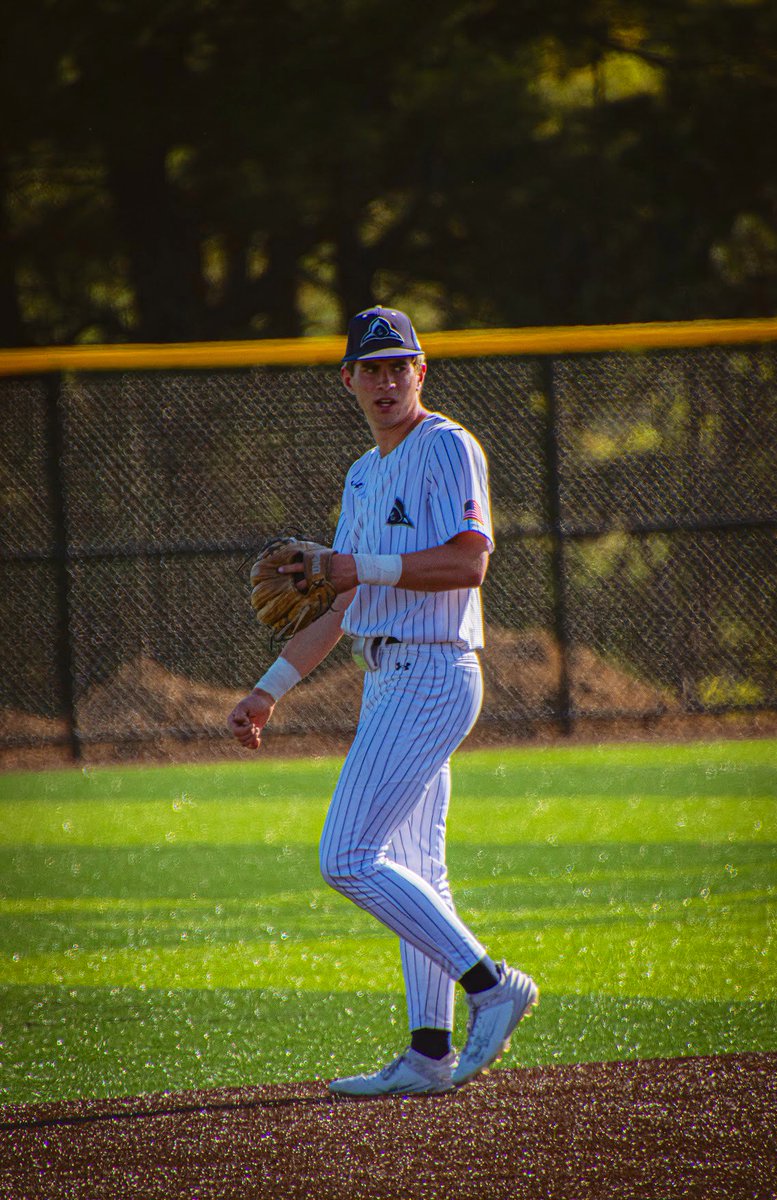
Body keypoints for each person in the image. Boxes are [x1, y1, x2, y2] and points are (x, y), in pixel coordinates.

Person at [227, 306, 538, 1096]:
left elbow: (469, 565)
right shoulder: (362, 474)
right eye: (372, 368)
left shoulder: (447, 446)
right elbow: (340, 601)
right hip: (388, 675)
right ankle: (430, 1053)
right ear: (349, 381)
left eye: (400, 365)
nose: (387, 380)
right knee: (416, 868)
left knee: (346, 856)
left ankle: (491, 985)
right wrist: (268, 691)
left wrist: (357, 566)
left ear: (421, 372)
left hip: (433, 671)